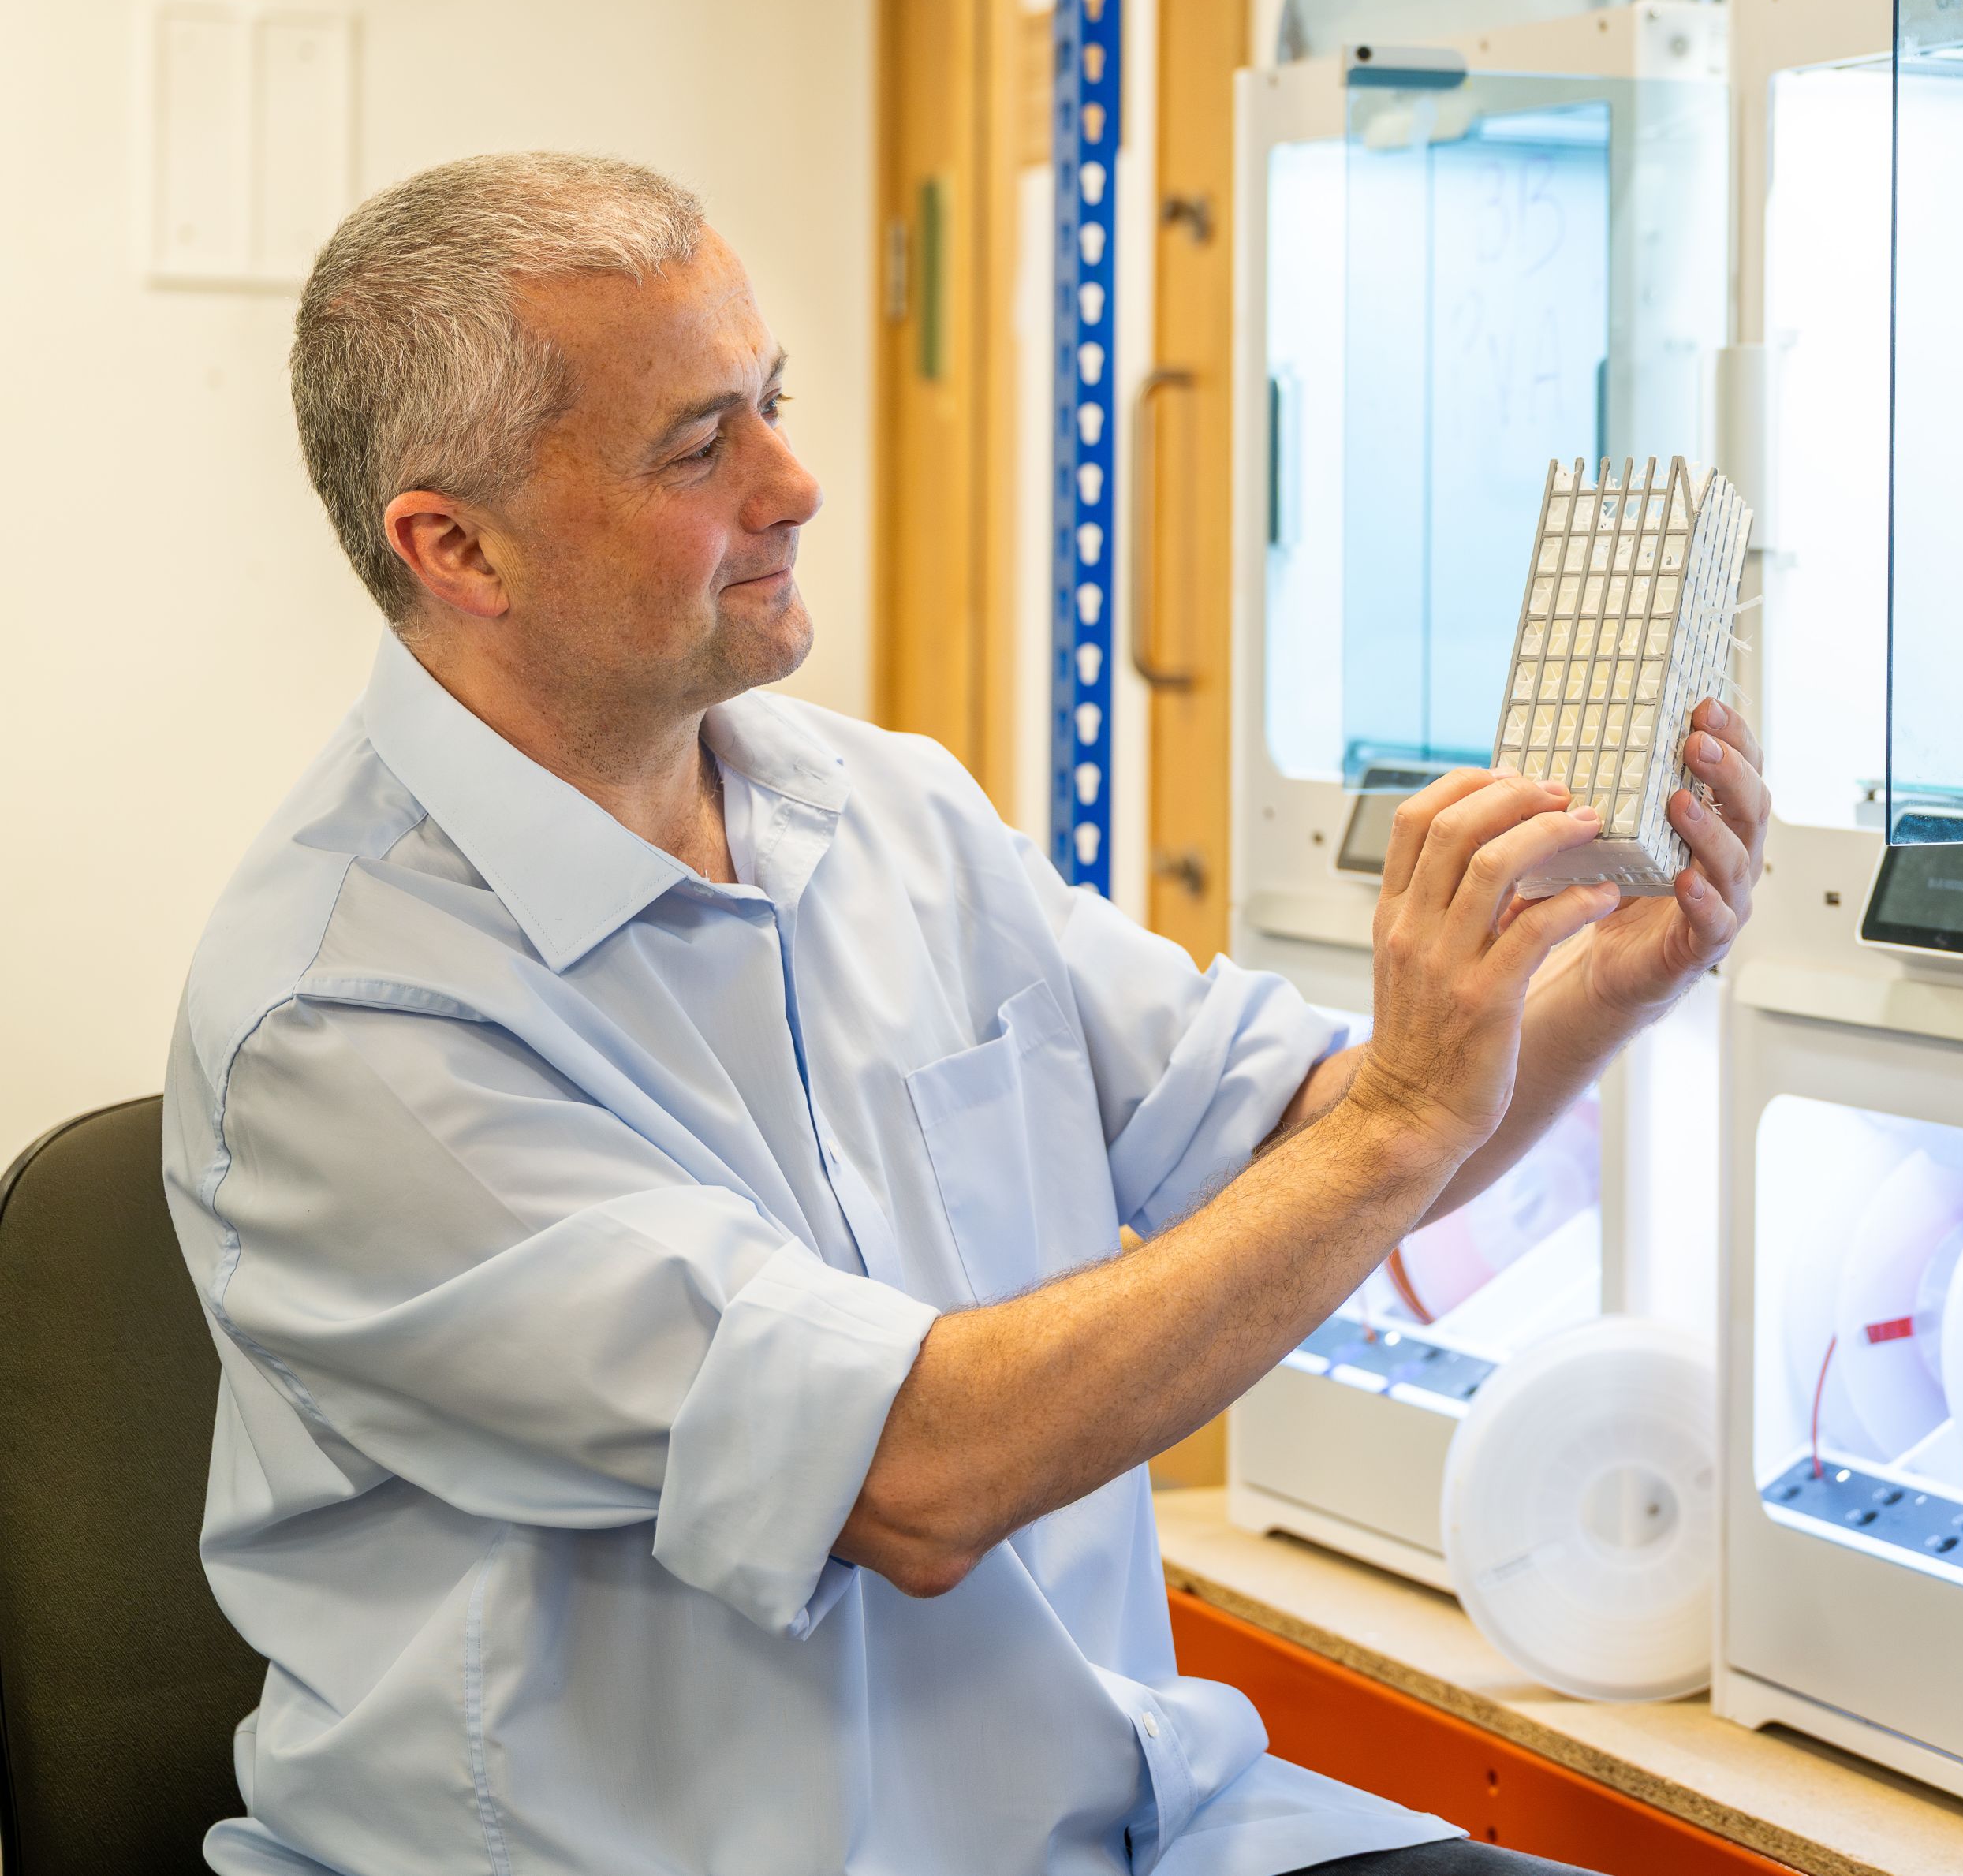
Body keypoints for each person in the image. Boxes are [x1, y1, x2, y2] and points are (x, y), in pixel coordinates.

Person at [162, 152, 1769, 1876]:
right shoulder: (344, 1025)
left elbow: (1293, 1148)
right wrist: (1400, 1118)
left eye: (771, 402)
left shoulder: (886, 810)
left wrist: (1593, 990)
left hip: (1121, 1826)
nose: (793, 484)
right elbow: (911, 1475)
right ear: (457, 546)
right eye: (699, 447)